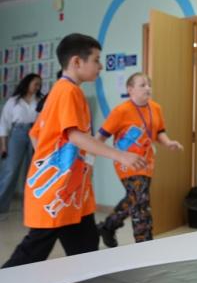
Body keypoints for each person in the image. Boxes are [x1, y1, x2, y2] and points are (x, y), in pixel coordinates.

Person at [2, 33, 146, 268]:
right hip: (57, 195)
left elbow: (36, 134)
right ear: (77, 62)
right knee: (32, 253)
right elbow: (76, 136)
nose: (100, 66)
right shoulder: (68, 91)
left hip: (72, 193)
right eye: (96, 60)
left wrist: (60, 163)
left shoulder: (61, 91)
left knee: (86, 249)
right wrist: (121, 155)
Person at [96, 72, 183, 247]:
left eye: (149, 84)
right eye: (142, 85)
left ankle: (108, 226)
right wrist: (92, 157)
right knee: (141, 202)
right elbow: (100, 137)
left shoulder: (155, 108)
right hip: (126, 163)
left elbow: (159, 132)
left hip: (146, 162)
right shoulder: (120, 111)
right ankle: (145, 245)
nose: (147, 88)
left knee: (135, 198)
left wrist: (168, 143)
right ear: (130, 89)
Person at [0, 73, 42, 216]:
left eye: (39, 84)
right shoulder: (13, 101)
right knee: (10, 170)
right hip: (17, 133)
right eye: (35, 84)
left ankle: (30, 208)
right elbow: (4, 123)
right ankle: (1, 207)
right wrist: (4, 145)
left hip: (36, 134)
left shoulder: (40, 101)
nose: (37, 87)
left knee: (32, 172)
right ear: (27, 83)